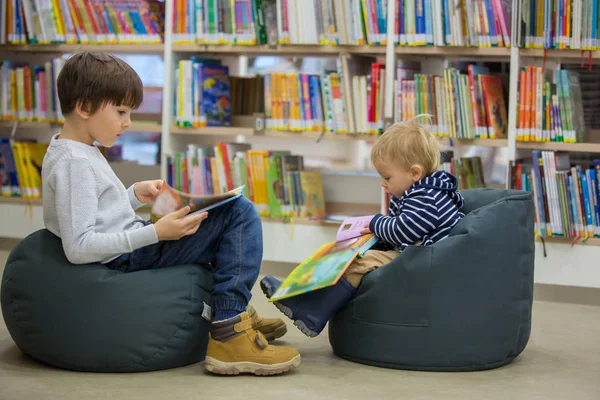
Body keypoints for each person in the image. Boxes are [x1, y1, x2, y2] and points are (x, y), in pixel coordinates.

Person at [41, 52, 299, 376]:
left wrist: (133, 195)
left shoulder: (75, 149)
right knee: (239, 214)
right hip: (125, 257)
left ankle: (234, 311)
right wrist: (156, 233)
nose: (128, 122)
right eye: (121, 111)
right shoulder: (74, 162)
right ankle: (229, 329)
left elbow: (96, 212)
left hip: (127, 247)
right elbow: (78, 247)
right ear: (84, 107)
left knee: (217, 220)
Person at [261, 117, 466, 337]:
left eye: (387, 177)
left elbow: (404, 230)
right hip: (413, 253)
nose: (383, 183)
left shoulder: (428, 197)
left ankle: (311, 312)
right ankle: (297, 293)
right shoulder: (413, 191)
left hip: (425, 260)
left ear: (415, 173)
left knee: (358, 264)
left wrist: (376, 223)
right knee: (344, 254)